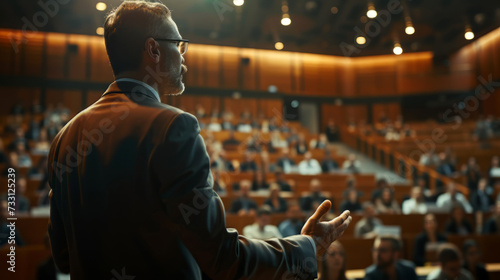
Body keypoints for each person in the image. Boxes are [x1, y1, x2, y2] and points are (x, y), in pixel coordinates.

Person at [47, 4, 355, 279]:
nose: (183, 56)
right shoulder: (172, 126)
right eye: (178, 44)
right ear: (153, 50)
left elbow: (63, 258)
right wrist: (306, 247)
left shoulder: (64, 139)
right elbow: (220, 256)